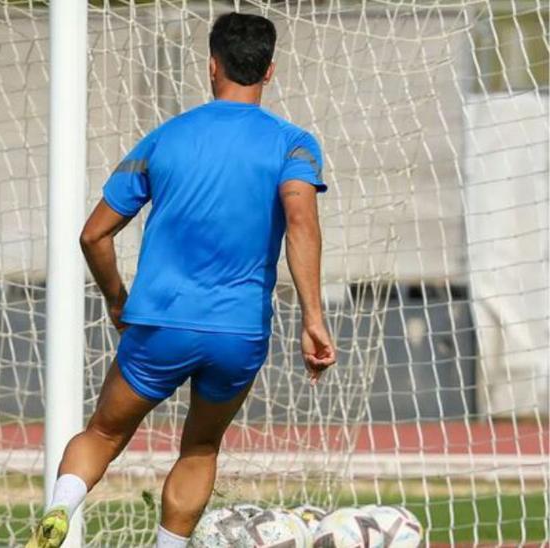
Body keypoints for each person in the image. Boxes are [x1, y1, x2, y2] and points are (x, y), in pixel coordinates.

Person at [25, 12, 336, 548]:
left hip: (159, 321)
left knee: (102, 432)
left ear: (211, 66)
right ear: (270, 71)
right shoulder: (294, 144)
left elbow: (93, 236)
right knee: (200, 448)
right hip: (237, 334)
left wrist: (116, 300)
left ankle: (60, 511)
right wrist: (313, 319)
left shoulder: (163, 139)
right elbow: (300, 223)